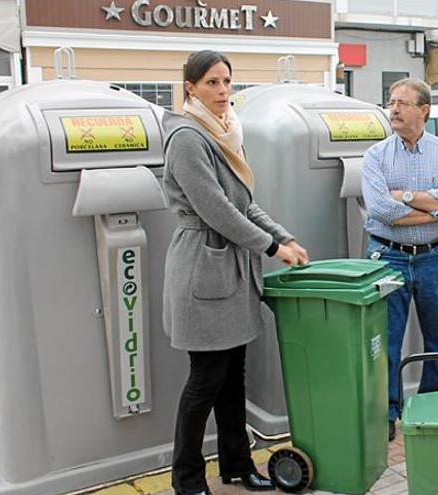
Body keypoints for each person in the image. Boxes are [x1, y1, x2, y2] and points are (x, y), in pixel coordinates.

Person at [162, 50, 309, 495]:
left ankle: (236, 466)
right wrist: (270, 246)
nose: (222, 91)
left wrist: (283, 237)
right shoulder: (188, 136)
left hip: (234, 271)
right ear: (190, 87)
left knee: (232, 379)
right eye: (211, 83)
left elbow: (245, 203)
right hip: (203, 271)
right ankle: (186, 480)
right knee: (204, 381)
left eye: (227, 82)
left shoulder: (228, 131)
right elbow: (217, 211)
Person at [361, 77, 438, 442]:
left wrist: (404, 196)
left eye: (402, 103)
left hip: (435, 256)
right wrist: (432, 209)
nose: (393, 109)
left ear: (424, 110)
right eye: (391, 101)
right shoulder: (376, 155)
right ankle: (389, 410)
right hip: (388, 256)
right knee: (385, 341)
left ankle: (435, 406)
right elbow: (379, 209)